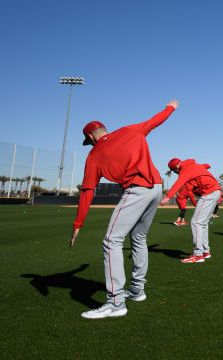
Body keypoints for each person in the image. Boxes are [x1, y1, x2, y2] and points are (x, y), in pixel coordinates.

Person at [70, 100, 178, 319]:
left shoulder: (94, 155)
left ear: (91, 137)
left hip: (137, 190)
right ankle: (137, 289)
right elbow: (155, 121)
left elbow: (87, 191)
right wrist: (170, 109)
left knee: (111, 240)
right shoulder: (129, 130)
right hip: (156, 188)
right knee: (138, 237)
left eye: (88, 141)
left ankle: (116, 302)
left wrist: (77, 224)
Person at [161, 158, 221, 263]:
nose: (175, 173)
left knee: (196, 222)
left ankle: (198, 255)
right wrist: (207, 165)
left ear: (175, 168)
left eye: (174, 171)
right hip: (215, 191)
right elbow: (203, 166)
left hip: (209, 192)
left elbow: (178, 183)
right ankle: (205, 252)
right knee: (203, 223)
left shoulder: (185, 170)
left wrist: (168, 197)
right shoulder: (193, 165)